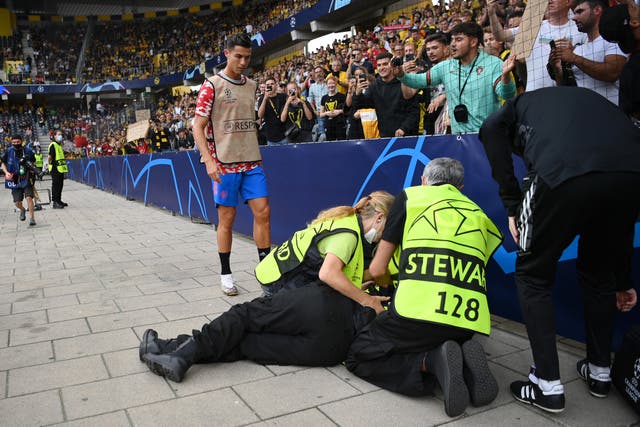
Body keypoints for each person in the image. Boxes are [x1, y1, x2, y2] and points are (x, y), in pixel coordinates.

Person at [479, 86, 640, 413]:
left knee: (531, 274)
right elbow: (621, 234)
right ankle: (600, 371)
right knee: (599, 273)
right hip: (630, 174)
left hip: (562, 168)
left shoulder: (518, 106)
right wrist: (623, 281)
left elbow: (488, 130)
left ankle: (547, 385)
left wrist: (512, 204)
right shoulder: (581, 104)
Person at [139, 191, 395, 382]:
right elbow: (333, 273)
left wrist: (363, 294)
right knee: (248, 342)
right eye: (387, 231)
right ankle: (174, 349)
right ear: (380, 218)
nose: (384, 239)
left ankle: (177, 352)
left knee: (245, 318)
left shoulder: (343, 223)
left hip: (300, 294)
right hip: (318, 326)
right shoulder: (350, 235)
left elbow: (329, 273)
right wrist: (366, 297)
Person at [346, 158, 503, 417]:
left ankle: (431, 364)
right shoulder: (478, 213)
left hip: (418, 314)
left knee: (359, 353)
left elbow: (377, 270)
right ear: (460, 188)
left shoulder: (409, 198)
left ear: (423, 181)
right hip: (467, 322)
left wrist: (357, 280)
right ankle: (460, 358)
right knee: (434, 335)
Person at [193, 33, 271, 297]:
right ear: (226, 54)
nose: (243, 61)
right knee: (227, 220)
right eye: (238, 56)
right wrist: (208, 160)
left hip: (251, 161)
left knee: (263, 213)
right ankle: (226, 274)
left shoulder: (252, 85)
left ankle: (266, 274)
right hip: (224, 165)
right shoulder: (211, 85)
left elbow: (247, 120)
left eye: (247, 57)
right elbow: (198, 127)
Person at [396, 22, 517, 133]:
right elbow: (419, 81)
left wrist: (506, 76)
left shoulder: (493, 63)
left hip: (488, 135)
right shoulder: (446, 66)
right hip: (458, 138)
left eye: (458, 40)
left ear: (473, 42)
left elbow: (507, 94)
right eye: (452, 40)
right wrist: (401, 74)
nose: (453, 44)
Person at [489, 0, 587, 91]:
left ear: (568, 2)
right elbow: (500, 36)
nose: (549, 1)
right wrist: (491, 13)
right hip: (536, 94)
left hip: (570, 92)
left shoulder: (580, 29)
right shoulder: (532, 27)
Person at [549, 0, 626, 105]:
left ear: (597, 10)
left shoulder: (612, 40)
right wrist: (557, 70)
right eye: (575, 13)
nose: (574, 17)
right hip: (584, 115)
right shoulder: (577, 50)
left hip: (612, 114)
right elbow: (565, 89)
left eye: (580, 12)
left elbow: (612, 73)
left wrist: (573, 58)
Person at [351, 52, 420, 138]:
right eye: (379, 65)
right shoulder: (374, 86)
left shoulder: (405, 81)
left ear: (392, 65)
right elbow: (361, 106)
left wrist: (404, 129)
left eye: (385, 64)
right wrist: (358, 93)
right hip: (385, 137)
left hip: (408, 136)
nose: (381, 68)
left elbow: (414, 112)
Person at [599, 0, 640, 126]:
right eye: (632, 8)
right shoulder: (633, 72)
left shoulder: (630, 71)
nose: (635, 5)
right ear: (634, 23)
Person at [1, 135, 37, 226]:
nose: (16, 144)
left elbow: (34, 161)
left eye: (17, 142)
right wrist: (6, 173)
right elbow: (3, 164)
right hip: (14, 179)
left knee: (29, 197)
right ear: (11, 142)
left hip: (26, 177)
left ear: (21, 141)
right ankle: (22, 210)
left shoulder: (28, 151)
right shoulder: (8, 151)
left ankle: (32, 219)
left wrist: (32, 170)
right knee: (17, 202)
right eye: (14, 142)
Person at [257, 77, 287, 146]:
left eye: (272, 84)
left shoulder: (283, 96)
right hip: (271, 137)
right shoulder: (262, 99)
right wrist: (265, 98)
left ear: (276, 85)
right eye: (268, 85)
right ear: (265, 87)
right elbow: (260, 115)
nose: (270, 86)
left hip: (284, 134)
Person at [319, 76, 347, 141]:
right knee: (330, 143)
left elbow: (346, 110)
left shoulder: (342, 96)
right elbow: (321, 114)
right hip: (329, 124)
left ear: (336, 84)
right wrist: (327, 113)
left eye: (333, 83)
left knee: (341, 142)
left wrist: (339, 111)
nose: (331, 85)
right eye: (329, 83)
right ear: (326, 85)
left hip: (339, 123)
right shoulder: (324, 98)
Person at [48, 129, 68, 209]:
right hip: (55, 168)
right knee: (56, 185)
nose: (60, 136)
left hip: (60, 169)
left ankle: (59, 200)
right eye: (59, 134)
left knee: (60, 185)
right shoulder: (53, 145)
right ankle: (55, 202)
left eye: (61, 134)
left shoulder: (59, 145)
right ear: (54, 136)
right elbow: (50, 157)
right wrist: (50, 165)